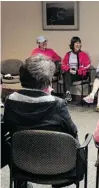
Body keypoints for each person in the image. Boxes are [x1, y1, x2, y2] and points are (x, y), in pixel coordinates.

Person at [2, 55, 79, 188]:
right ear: (47, 82)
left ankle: (21, 184)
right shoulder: (58, 104)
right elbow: (72, 132)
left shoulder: (10, 100)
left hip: (21, 160)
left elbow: (7, 127)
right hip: (56, 162)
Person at [61, 36, 91, 102]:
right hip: (70, 72)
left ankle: (67, 94)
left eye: (79, 43)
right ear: (72, 44)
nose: (78, 45)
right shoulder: (68, 54)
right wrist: (69, 69)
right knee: (66, 73)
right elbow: (63, 65)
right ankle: (68, 93)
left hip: (80, 74)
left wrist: (77, 71)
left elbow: (87, 66)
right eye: (76, 43)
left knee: (66, 76)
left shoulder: (84, 54)